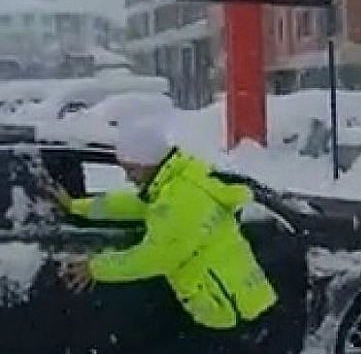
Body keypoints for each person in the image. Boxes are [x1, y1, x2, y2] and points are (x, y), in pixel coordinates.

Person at [49, 120, 278, 330]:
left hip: (226, 307)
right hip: (237, 297)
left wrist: (95, 267)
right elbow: (133, 205)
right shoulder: (178, 182)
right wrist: (76, 207)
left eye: (131, 169)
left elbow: (155, 257)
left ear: (148, 163)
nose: (128, 178)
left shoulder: (178, 201)